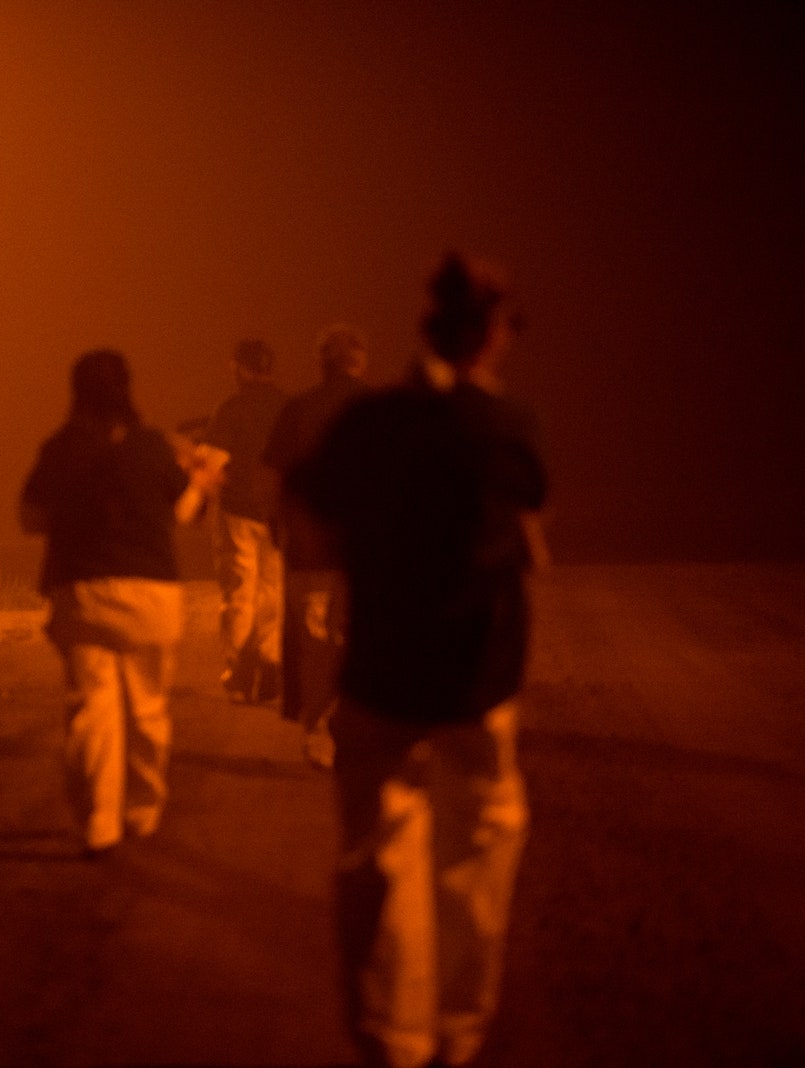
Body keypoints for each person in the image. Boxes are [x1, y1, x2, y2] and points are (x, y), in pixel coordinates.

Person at [289, 253, 546, 1068]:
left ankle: (388, 1033)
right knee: (477, 860)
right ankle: (458, 1032)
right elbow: (533, 520)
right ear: (494, 335)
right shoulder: (505, 426)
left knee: (377, 854)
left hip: (384, 672)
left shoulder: (373, 422)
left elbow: (315, 514)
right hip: (480, 676)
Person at [20, 349, 216, 857]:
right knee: (149, 708)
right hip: (152, 595)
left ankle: (99, 820)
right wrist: (200, 483)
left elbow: (30, 519)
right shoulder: (153, 446)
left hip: (84, 594)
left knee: (92, 709)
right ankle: (143, 808)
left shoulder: (62, 448)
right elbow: (186, 514)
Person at [260, 324, 371, 767]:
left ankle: (316, 733)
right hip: (368, 551)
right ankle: (352, 722)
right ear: (360, 362)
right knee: (360, 636)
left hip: (309, 550)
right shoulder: (381, 410)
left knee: (313, 642)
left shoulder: (298, 409)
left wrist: (274, 524)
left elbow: (268, 477)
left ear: (322, 364)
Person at [202, 338, 288, 704]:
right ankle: (270, 664)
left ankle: (239, 670)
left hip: (238, 513)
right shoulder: (289, 407)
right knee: (272, 590)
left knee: (239, 591)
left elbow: (214, 462)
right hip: (279, 515)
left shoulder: (231, 408)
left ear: (240, 368)